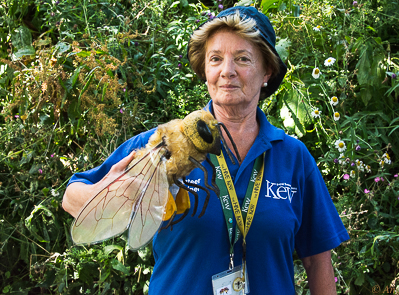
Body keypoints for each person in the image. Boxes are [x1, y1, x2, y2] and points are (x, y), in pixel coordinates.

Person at [62, 6, 349, 295]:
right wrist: (114, 194)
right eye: (216, 59)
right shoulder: (164, 143)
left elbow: (317, 261)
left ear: (267, 72)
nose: (227, 71)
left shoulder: (293, 158)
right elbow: (71, 196)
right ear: (205, 70)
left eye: (242, 59)